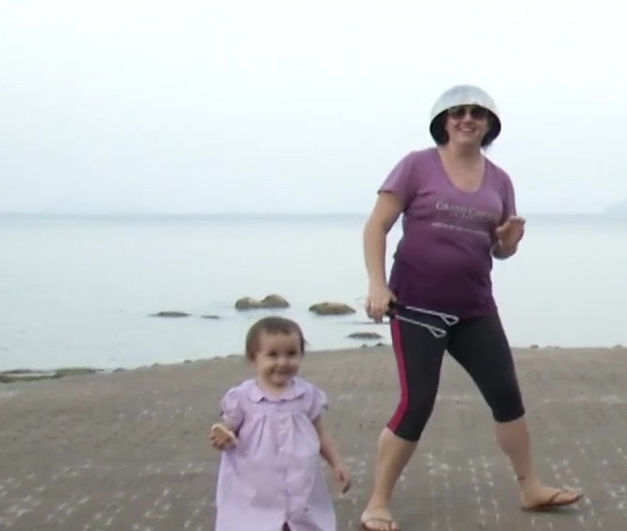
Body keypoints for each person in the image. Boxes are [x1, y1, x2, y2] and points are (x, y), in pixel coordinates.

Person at [356, 84, 582, 531]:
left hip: (475, 309)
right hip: (416, 307)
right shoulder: (416, 165)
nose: (467, 119)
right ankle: (377, 503)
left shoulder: (499, 179)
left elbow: (501, 250)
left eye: (477, 114)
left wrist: (507, 243)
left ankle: (530, 487)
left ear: (489, 125)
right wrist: (377, 286)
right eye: (458, 112)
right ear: (443, 121)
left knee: (507, 398)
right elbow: (376, 226)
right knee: (416, 404)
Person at [208, 316, 351, 531]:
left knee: (298, 520)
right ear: (253, 358)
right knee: (256, 523)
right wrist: (223, 435)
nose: (283, 362)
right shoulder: (243, 397)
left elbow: (320, 432)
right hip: (256, 487)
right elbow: (228, 428)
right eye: (272, 355)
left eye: (291, 354)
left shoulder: (306, 394)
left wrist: (337, 463)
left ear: (302, 354)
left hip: (298, 479)